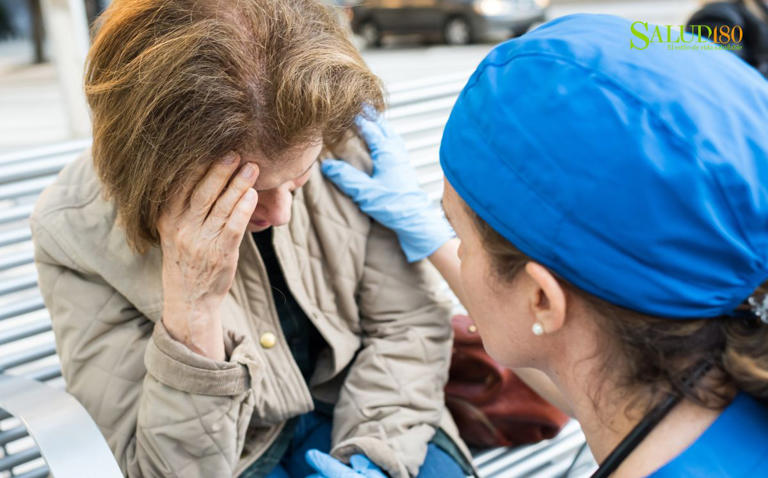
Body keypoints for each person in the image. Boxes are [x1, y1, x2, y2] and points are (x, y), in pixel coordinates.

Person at [29, 0, 473, 477]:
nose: (281, 212)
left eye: (298, 178)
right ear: (157, 169)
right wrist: (193, 313)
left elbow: (408, 325)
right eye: (249, 192)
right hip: (238, 457)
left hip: (375, 412)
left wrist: (374, 457)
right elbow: (161, 470)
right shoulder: (74, 232)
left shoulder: (333, 130)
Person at [321, 14, 768, 477]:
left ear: (542, 299)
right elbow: (575, 361)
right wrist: (429, 234)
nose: (455, 252)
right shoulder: (724, 370)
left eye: (460, 237)